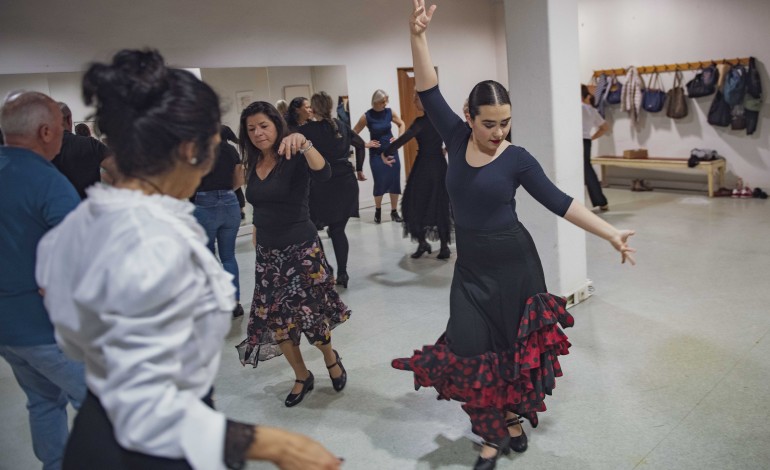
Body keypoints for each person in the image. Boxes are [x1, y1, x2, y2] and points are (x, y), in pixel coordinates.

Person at [35, 49, 341, 470]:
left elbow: (77, 343)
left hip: (98, 431)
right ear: (188, 147)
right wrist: (269, 444)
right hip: (149, 449)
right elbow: (147, 411)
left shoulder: (79, 226)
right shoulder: (156, 244)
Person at [392, 4, 637, 470]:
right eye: (489, 123)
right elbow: (427, 88)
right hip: (471, 269)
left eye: (505, 122)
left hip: (514, 267)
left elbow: (561, 201)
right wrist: (418, 36)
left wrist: (610, 233)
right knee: (470, 347)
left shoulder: (517, 158)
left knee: (508, 351)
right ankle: (493, 429)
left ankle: (505, 423)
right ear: (468, 116)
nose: (498, 131)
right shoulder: (453, 135)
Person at [235, 101, 351, 408]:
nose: (258, 133)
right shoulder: (252, 163)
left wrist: (305, 143)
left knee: (312, 318)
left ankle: (331, 358)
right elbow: (260, 206)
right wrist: (257, 239)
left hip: (301, 251)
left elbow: (324, 173)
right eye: (251, 129)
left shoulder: (294, 154)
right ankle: (302, 375)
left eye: (264, 126)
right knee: (279, 322)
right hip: (268, 256)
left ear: (276, 125)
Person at [0, 91, 87, 470]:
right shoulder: (46, 182)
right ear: (46, 131)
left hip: (8, 331)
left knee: (42, 401)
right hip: (47, 328)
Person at [298, 91, 366, 288]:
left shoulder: (307, 130)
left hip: (322, 184)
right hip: (346, 183)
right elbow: (361, 145)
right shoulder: (341, 125)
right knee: (337, 230)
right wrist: (359, 169)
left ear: (313, 108)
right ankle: (342, 272)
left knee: (312, 230)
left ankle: (327, 268)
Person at [382, 92, 452, 259]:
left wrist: (386, 152)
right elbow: (455, 137)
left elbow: (404, 139)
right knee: (439, 204)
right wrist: (445, 149)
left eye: (416, 99)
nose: (414, 102)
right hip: (438, 166)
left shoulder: (421, 122)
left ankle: (426, 243)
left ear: (425, 101)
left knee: (413, 203)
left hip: (424, 168)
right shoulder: (441, 120)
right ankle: (440, 246)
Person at [193, 125, 246, 318]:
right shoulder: (230, 149)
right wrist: (225, 192)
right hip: (230, 202)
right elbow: (240, 179)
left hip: (204, 203)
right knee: (228, 256)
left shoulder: (197, 149)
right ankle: (235, 303)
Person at [353, 89, 406, 223]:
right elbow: (353, 133)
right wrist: (365, 144)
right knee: (380, 182)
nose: (385, 104)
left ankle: (394, 211)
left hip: (392, 152)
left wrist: (399, 138)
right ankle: (378, 210)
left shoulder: (389, 112)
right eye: (383, 102)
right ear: (375, 102)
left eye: (386, 101)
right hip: (376, 154)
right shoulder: (367, 116)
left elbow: (401, 124)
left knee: (394, 181)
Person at [52, 102, 116, 199]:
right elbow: (120, 171)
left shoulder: (39, 150)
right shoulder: (91, 145)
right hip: (89, 204)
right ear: (69, 119)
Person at [581, 85, 610, 210]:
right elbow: (605, 127)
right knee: (587, 170)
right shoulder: (592, 110)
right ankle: (601, 202)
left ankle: (601, 201)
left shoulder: (577, 107)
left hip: (575, 141)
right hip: (586, 141)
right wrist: (591, 137)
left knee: (586, 171)